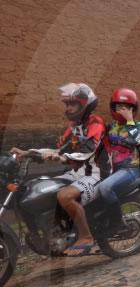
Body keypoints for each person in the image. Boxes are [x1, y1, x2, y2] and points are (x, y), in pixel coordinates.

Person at [11, 83, 109, 256]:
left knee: (64, 195)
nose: (69, 108)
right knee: (39, 188)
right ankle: (55, 237)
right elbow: (58, 150)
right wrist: (27, 152)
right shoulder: (73, 127)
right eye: (67, 104)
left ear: (85, 105)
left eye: (73, 104)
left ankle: (86, 237)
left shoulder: (96, 124)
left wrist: (63, 158)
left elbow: (87, 152)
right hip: (76, 174)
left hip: (96, 174)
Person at [96, 88, 140, 225]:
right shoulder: (111, 127)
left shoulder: (138, 125)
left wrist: (129, 121)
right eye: (119, 107)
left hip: (129, 169)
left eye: (126, 108)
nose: (122, 110)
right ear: (113, 108)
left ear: (133, 109)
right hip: (112, 169)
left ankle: (116, 223)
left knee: (105, 188)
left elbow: (138, 140)